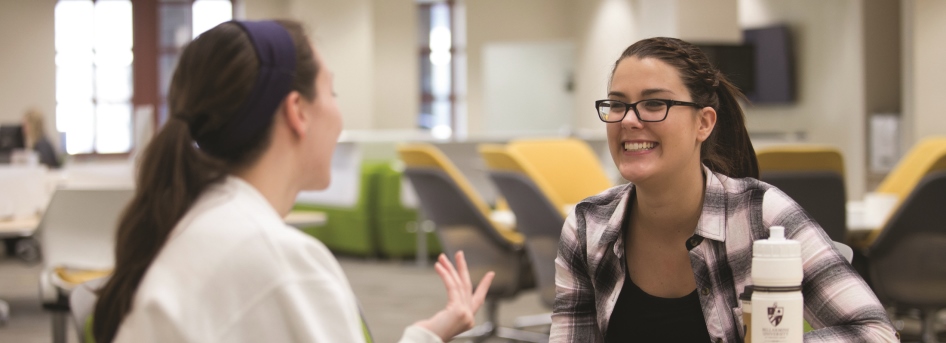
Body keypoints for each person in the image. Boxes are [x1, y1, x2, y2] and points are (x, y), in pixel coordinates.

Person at [92, 20, 494, 343]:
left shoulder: (198, 220)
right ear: (297, 111)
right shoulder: (278, 260)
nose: (340, 114)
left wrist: (427, 333)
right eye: (332, 92)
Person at [550, 37, 899, 342]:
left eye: (654, 103)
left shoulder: (761, 214)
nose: (628, 119)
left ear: (703, 122)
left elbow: (874, 332)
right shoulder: (587, 225)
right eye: (617, 104)